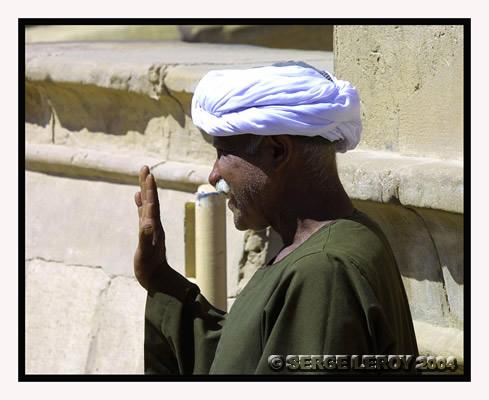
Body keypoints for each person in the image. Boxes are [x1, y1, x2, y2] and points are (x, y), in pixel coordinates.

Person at [133, 62, 418, 375]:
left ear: (277, 151)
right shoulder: (328, 246)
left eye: (223, 153)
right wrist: (159, 278)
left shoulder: (323, 271)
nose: (214, 175)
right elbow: (241, 356)